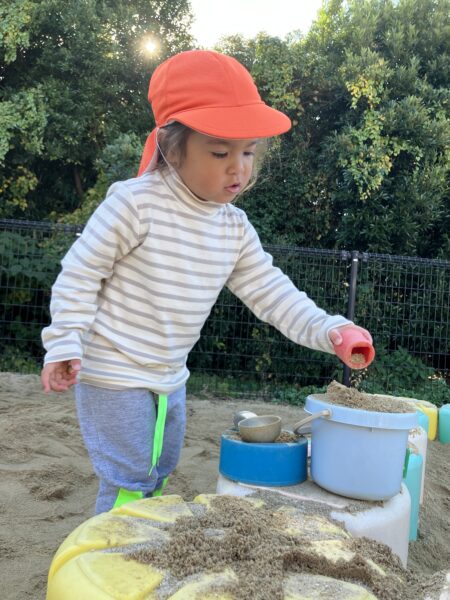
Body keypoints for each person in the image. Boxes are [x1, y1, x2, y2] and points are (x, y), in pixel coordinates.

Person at [41, 50, 373, 514]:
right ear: (172, 147)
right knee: (129, 479)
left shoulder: (233, 228)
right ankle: (110, 554)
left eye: (248, 152)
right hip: (113, 370)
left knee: (159, 469)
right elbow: (79, 274)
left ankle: (141, 538)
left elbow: (271, 292)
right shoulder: (134, 204)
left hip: (170, 375)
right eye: (220, 153)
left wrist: (330, 328)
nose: (239, 168)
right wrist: (64, 341)